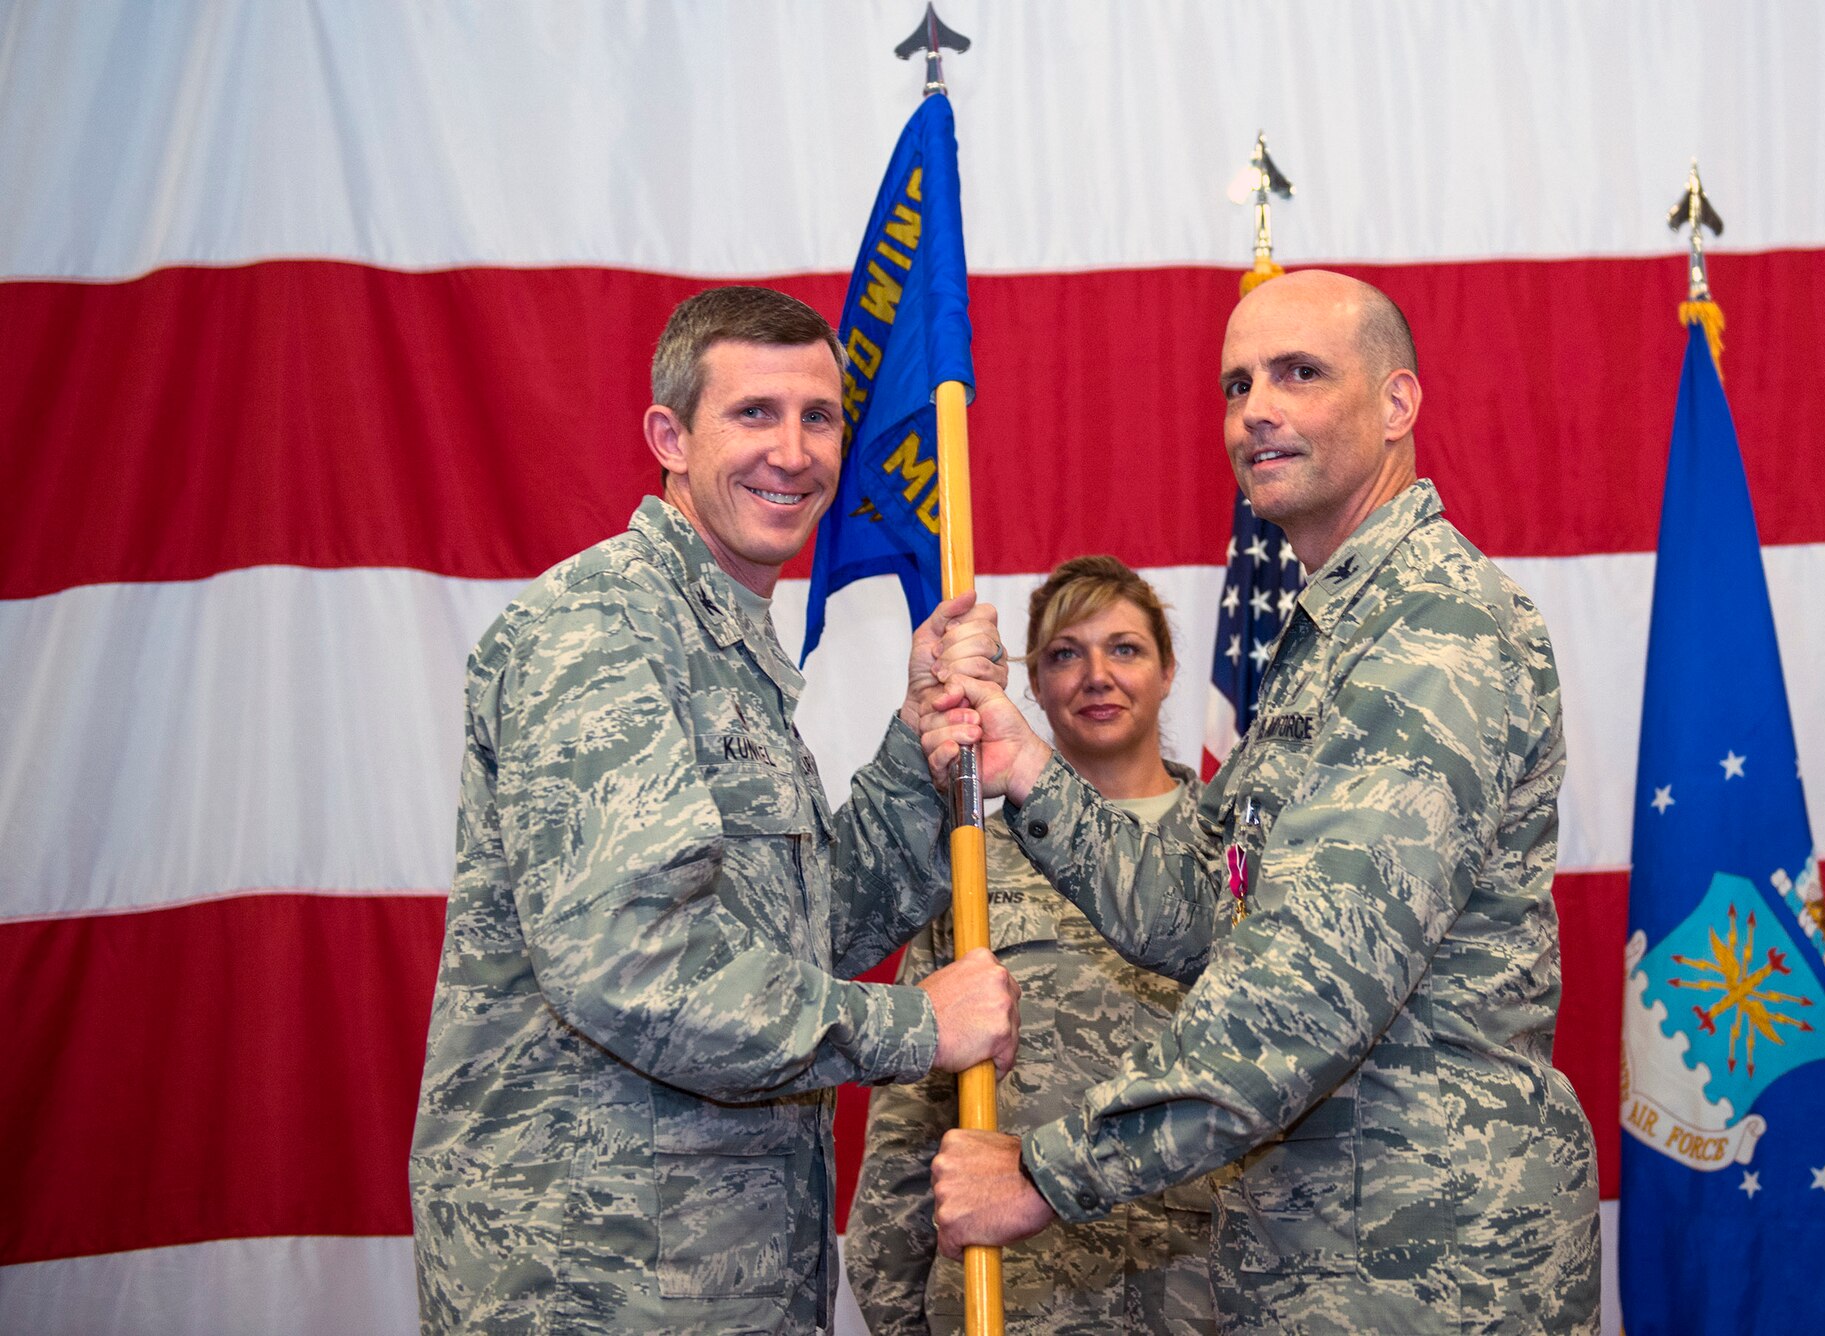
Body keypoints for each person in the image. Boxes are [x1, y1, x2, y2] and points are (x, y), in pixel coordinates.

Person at [920, 270, 1602, 1333]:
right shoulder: (1334, 632)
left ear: (1396, 404)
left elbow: (1314, 976)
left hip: (1422, 1272)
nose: (1256, 411)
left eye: (1299, 374)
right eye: (1237, 385)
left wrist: (1048, 1172)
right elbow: (1207, 905)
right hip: (1324, 1258)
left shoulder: (1434, 627)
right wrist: (1029, 773)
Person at [409, 285, 1021, 1336]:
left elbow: (797, 931)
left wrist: (918, 744)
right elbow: (633, 965)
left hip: (712, 1279)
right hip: (598, 1285)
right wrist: (916, 1025)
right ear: (670, 438)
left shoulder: (723, 639)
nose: (793, 451)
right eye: (753, 413)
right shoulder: (602, 627)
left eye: (818, 417)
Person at [846, 557, 1219, 1336]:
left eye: (1124, 649)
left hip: (1204, 1298)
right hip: (1014, 1300)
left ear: (1168, 670)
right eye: (1065, 654)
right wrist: (901, 1318)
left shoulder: (1230, 859)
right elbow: (908, 1127)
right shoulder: (971, 867)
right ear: (1035, 684)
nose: (1096, 675)